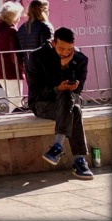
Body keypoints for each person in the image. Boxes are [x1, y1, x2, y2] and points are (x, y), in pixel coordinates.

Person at [25, 26, 93, 179]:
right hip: (43, 104)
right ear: (53, 43)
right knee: (73, 107)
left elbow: (78, 89)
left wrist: (65, 68)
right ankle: (80, 161)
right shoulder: (37, 57)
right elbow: (35, 91)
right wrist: (56, 88)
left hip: (68, 102)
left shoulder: (80, 59)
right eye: (61, 48)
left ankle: (57, 147)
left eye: (69, 49)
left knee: (70, 101)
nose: (65, 52)